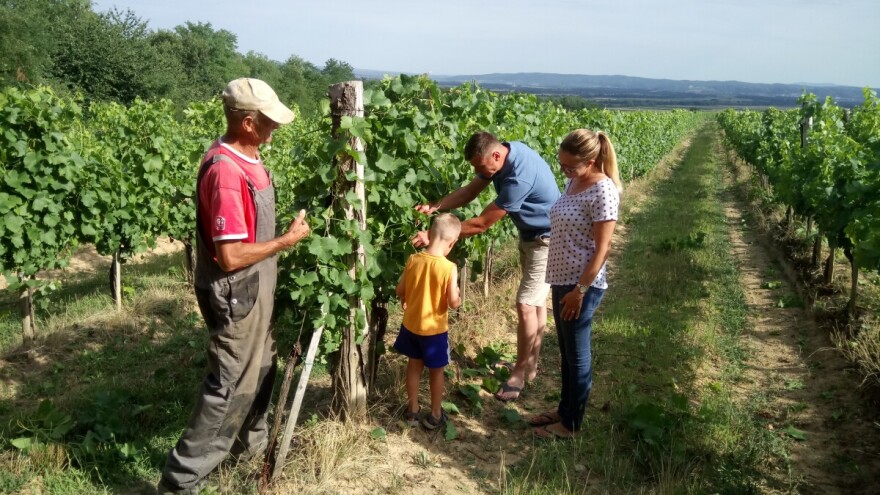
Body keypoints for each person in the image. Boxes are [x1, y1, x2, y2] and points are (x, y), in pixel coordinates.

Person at [158, 78, 310, 494]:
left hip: (254, 289)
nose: (274, 129)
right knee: (228, 387)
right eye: (268, 122)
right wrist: (285, 241)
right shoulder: (226, 172)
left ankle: (249, 454)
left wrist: (282, 237)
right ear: (246, 122)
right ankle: (179, 482)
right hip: (236, 293)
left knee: (261, 370)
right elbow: (229, 256)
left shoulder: (250, 158)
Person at [413, 131, 560, 402]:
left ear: (495, 155)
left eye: (480, 167)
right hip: (533, 236)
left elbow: (482, 224)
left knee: (526, 305)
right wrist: (436, 206)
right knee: (536, 303)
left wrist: (437, 237)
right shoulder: (501, 156)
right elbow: (469, 192)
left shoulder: (519, 176)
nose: (480, 172)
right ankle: (530, 367)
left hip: (548, 239)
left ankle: (518, 375)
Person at [529, 129, 621, 440]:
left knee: (578, 354)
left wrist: (580, 291)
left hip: (581, 285)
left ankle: (570, 425)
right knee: (567, 352)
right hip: (561, 279)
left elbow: (603, 248)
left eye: (570, 166)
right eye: (561, 165)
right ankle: (563, 410)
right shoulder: (574, 182)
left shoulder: (603, 191)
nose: (564, 172)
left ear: (591, 161)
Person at [395, 213, 463, 429]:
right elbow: (453, 302)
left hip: (411, 326)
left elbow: (400, 290)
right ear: (451, 243)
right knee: (437, 371)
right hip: (434, 331)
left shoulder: (413, 260)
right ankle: (435, 414)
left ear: (430, 234)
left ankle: (412, 411)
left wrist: (407, 298)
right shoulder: (448, 268)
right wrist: (459, 296)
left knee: (414, 366)